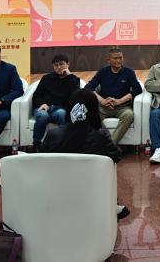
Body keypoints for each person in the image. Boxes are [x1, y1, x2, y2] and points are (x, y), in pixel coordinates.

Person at [40, 88, 131, 221]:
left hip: (57, 194)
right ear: (94, 110)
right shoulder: (100, 136)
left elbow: (42, 162)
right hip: (92, 194)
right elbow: (117, 156)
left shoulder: (53, 134)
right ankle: (113, 205)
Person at [85, 48, 141, 145]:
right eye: (115, 58)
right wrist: (102, 101)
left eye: (120, 58)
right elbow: (88, 87)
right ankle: (106, 140)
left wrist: (119, 101)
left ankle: (111, 144)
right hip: (104, 107)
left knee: (129, 115)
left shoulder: (129, 72)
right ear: (109, 60)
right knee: (91, 114)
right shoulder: (102, 72)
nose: (118, 60)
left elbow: (138, 89)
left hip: (122, 107)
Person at [30, 54, 80, 151]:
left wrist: (69, 76)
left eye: (61, 64)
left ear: (68, 64)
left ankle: (62, 144)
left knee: (61, 113)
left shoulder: (73, 79)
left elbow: (77, 94)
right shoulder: (46, 78)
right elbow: (36, 95)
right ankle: (36, 144)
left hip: (60, 108)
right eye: (56, 65)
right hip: (44, 107)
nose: (59, 67)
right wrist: (42, 104)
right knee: (42, 115)